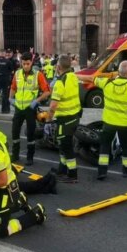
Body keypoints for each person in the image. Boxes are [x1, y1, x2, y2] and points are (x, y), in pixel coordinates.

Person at [78, 60, 127, 180]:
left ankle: (102, 171)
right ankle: (126, 170)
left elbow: (91, 79)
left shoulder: (107, 83)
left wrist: (75, 75)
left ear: (118, 71)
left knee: (104, 146)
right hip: (125, 123)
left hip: (109, 123)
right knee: (126, 147)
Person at [9, 52, 51, 166]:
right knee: (15, 132)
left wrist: (36, 101)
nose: (26, 66)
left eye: (28, 63)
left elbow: (47, 92)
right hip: (18, 108)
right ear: (21, 63)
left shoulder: (38, 75)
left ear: (31, 62)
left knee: (31, 134)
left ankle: (30, 157)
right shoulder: (17, 74)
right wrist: (10, 98)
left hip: (30, 109)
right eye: (24, 64)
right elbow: (13, 87)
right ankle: (15, 155)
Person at [46, 54, 82, 183]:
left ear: (58, 66)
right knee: (62, 146)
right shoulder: (72, 76)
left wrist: (48, 120)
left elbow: (53, 105)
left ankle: (72, 175)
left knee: (66, 147)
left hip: (65, 120)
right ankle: (62, 170)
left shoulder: (60, 82)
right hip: (74, 117)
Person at [0, 49, 13, 113]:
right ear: (4, 54)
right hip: (5, 80)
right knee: (5, 95)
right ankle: (4, 110)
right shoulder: (8, 61)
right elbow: (11, 70)